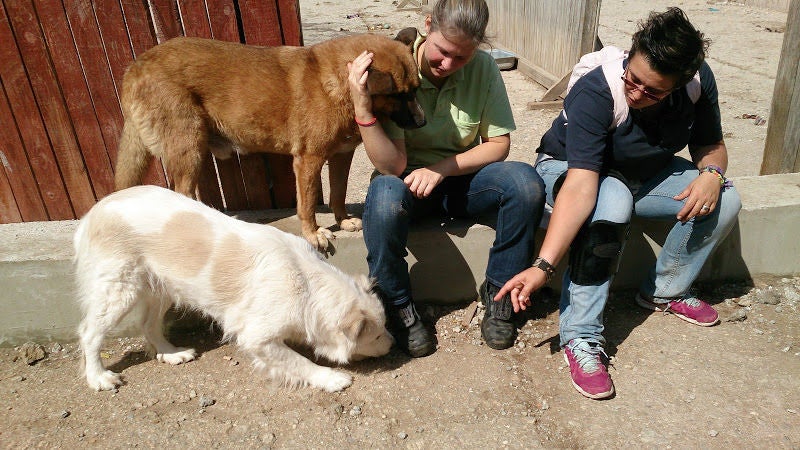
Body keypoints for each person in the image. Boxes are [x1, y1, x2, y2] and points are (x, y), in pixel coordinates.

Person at [496, 7, 741, 399]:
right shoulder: (598, 89)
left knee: (725, 197)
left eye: (653, 91)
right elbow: (581, 185)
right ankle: (580, 335)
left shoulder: (697, 81)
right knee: (612, 199)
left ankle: (664, 291)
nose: (637, 93)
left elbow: (710, 144)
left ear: (678, 84)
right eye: (634, 78)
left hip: (644, 175)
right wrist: (543, 266)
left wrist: (712, 173)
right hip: (568, 170)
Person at [347, 0, 545, 357]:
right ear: (427, 26)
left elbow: (498, 144)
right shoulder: (397, 66)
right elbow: (392, 165)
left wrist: (441, 169)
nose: (448, 64)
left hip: (460, 181)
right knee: (384, 196)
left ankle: (501, 292)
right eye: (443, 51)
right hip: (405, 183)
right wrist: (362, 108)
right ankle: (398, 306)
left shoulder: (484, 68)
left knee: (525, 182)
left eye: (462, 57)